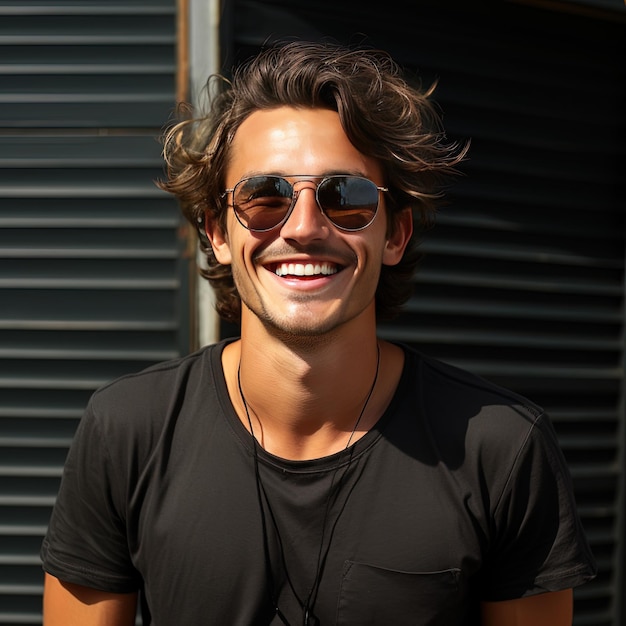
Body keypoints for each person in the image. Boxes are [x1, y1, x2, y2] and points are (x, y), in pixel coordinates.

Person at [40, 40, 596, 626]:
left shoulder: (502, 449)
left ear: (396, 235)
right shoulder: (128, 430)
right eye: (263, 197)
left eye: (347, 197)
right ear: (219, 233)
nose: (304, 228)